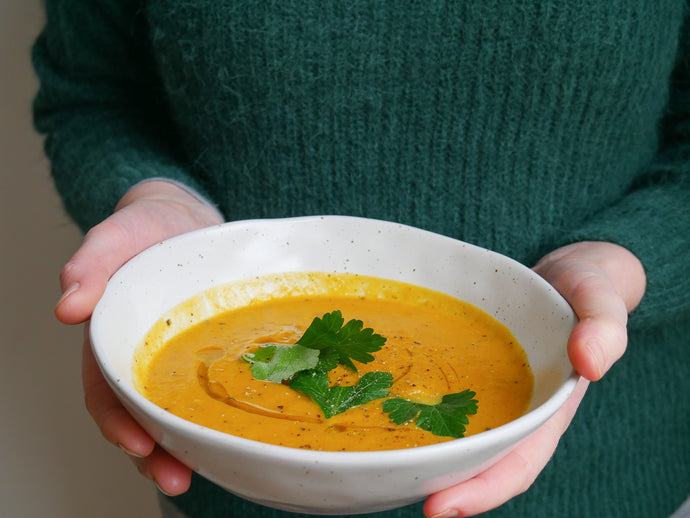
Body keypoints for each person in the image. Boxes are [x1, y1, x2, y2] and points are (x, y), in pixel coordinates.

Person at [32, 2, 689, 517]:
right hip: (228, 489)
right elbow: (94, 92)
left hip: (609, 473)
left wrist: (622, 259)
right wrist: (156, 197)